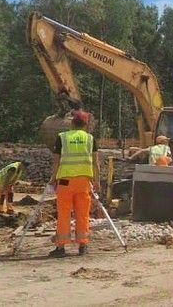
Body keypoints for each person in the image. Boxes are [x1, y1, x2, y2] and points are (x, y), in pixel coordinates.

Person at [49, 110, 99, 258]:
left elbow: (56, 162)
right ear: (86, 124)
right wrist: (96, 180)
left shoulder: (62, 138)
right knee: (83, 214)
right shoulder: (90, 139)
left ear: (72, 122)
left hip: (65, 182)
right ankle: (83, 245)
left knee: (64, 214)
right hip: (84, 182)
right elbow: (95, 162)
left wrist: (53, 179)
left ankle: (61, 248)